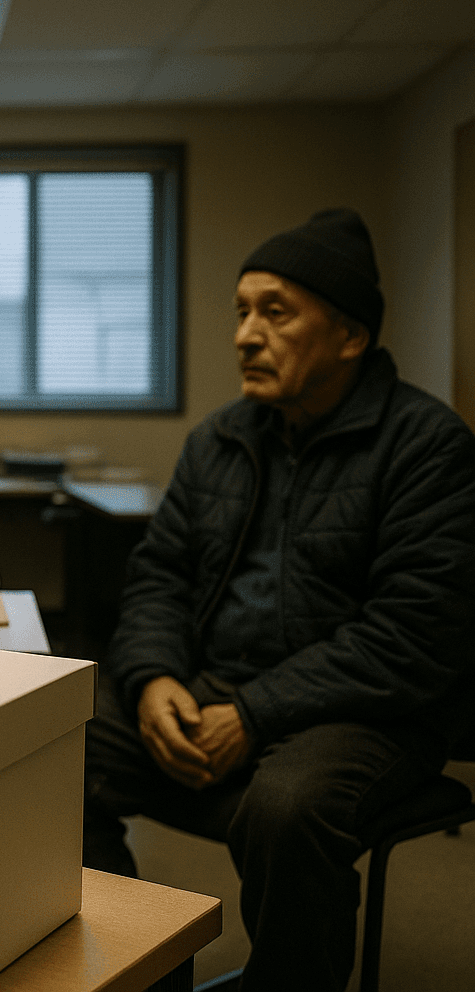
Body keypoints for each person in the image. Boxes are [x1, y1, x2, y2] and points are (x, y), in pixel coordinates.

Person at [82, 209, 475, 991]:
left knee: (287, 807)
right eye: (240, 312)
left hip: (364, 715)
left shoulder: (427, 446)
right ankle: (138, 970)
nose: (245, 335)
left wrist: (255, 713)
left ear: (351, 336)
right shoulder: (219, 439)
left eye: (275, 312)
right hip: (217, 688)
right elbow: (158, 577)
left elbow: (413, 634)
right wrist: (154, 678)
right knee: (47, 740)